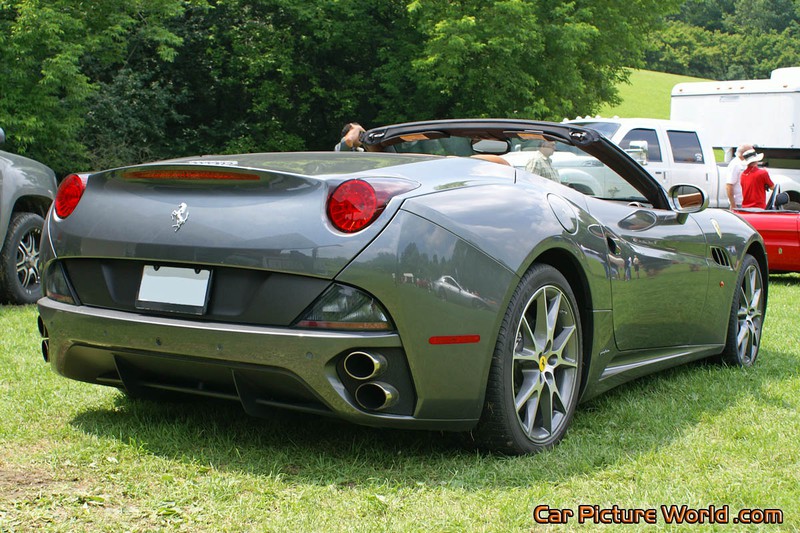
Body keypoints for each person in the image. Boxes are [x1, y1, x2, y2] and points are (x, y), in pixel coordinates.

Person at [725, 143, 754, 209]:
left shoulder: (744, 163)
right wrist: (733, 204)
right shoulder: (736, 164)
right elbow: (729, 185)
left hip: (745, 202)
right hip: (738, 203)